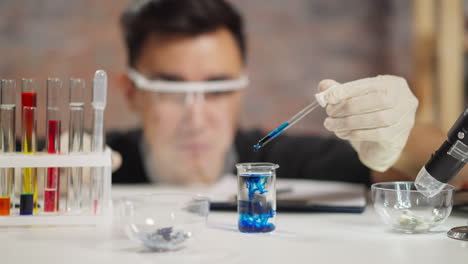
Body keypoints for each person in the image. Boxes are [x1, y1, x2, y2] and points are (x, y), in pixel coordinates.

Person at [109, 0, 468, 189]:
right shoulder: (91, 163)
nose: (196, 117)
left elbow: (458, 174)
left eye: (217, 89)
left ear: (240, 88)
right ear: (131, 92)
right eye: (171, 89)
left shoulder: (276, 160)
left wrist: (397, 137)